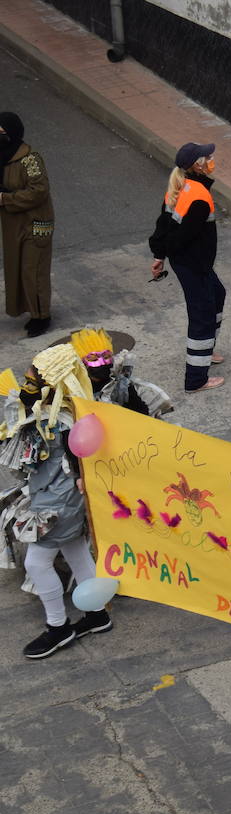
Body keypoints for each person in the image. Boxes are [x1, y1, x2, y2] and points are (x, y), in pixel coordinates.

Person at [0, 344, 113, 659]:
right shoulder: (54, 412)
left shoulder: (66, 421)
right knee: (76, 551)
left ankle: (58, 627)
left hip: (60, 502)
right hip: (54, 496)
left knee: (36, 564)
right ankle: (97, 615)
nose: (28, 384)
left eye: (34, 379)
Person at [149, 142, 226, 393]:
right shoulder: (199, 197)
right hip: (194, 264)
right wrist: (165, 252)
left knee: (218, 294)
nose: (211, 159)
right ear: (198, 166)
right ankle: (196, 379)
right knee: (202, 314)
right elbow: (182, 236)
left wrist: (159, 255)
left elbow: (164, 224)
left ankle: (206, 351)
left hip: (189, 261)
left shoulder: (179, 186)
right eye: (207, 157)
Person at [0, 113, 55, 337]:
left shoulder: (30, 159)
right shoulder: (3, 157)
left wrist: (5, 199)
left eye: (2, 132)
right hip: (14, 224)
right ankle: (29, 310)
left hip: (35, 223)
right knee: (17, 269)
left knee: (33, 271)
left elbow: (39, 191)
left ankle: (41, 317)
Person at [69, 328, 173, 418]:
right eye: (93, 359)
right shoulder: (76, 389)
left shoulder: (120, 384)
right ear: (83, 365)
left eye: (106, 357)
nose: (101, 363)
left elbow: (142, 411)